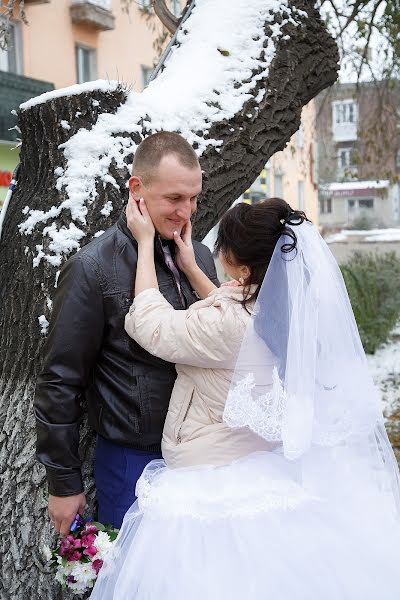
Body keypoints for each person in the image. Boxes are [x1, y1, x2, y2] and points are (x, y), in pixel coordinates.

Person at [91, 196, 400, 600]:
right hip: (262, 465)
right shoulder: (288, 313)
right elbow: (233, 315)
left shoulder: (232, 324)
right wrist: (191, 267)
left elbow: (151, 326)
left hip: (210, 475)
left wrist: (145, 242)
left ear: (243, 269)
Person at [34, 131, 219, 535]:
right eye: (174, 199)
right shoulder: (92, 267)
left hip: (203, 456)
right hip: (133, 462)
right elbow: (60, 381)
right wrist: (63, 482)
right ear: (137, 188)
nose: (186, 211)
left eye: (193, 198)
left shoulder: (199, 255)